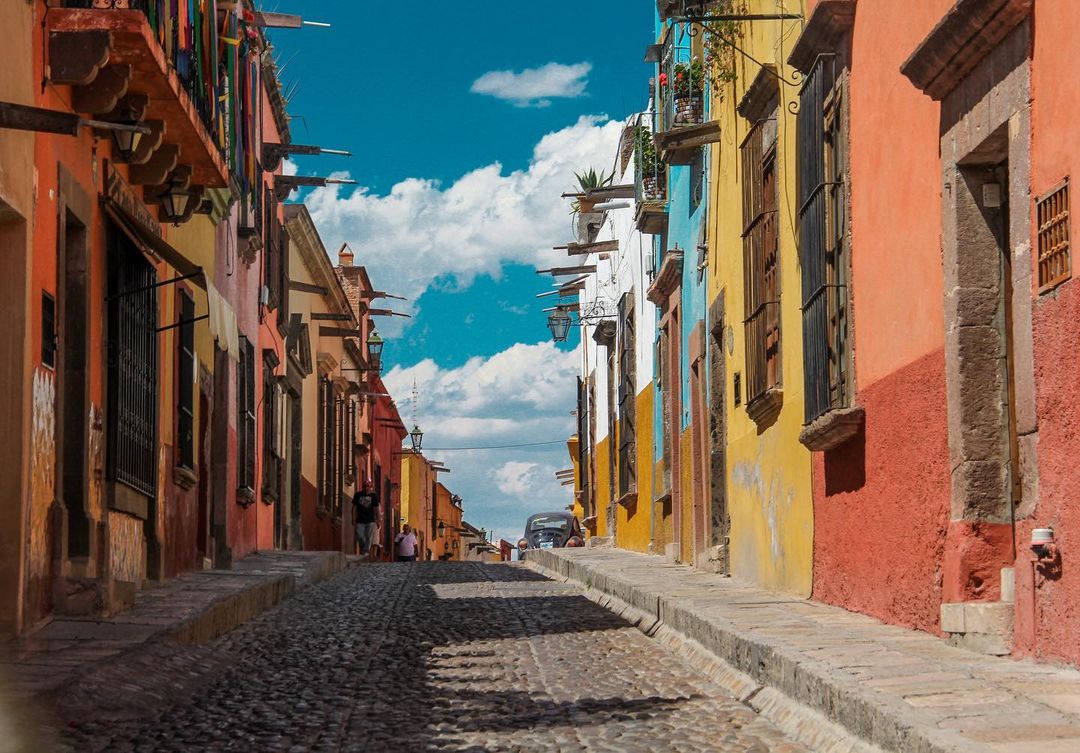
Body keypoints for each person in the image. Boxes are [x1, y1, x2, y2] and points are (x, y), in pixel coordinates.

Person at [352, 483, 378, 559]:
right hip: (360, 520)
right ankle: (364, 549)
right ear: (362, 487)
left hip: (371, 520)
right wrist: (353, 518)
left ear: (371, 488)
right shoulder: (358, 495)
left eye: (368, 487)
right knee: (360, 536)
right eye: (365, 487)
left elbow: (376, 509)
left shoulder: (374, 496)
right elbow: (354, 507)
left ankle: (365, 551)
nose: (366, 488)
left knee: (369, 537)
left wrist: (378, 520)